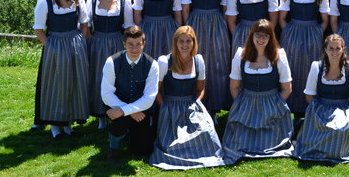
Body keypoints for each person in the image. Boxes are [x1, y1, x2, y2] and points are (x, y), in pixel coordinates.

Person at [149, 26, 225, 170]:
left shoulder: (198, 61)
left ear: (193, 42)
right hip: (170, 107)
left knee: (207, 134)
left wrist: (196, 103)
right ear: (175, 43)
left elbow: (200, 89)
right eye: (181, 41)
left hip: (191, 104)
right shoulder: (165, 61)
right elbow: (156, 90)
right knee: (173, 143)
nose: (185, 45)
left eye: (188, 41)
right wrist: (164, 106)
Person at [294, 34, 349, 164]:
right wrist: (318, 110)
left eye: (338, 48)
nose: (334, 52)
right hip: (320, 107)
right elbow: (309, 95)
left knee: (339, 130)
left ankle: (335, 150)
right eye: (331, 48)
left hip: (343, 108)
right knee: (323, 127)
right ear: (325, 49)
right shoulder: (317, 67)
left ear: (343, 49)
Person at [223, 20, 294, 164]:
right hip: (247, 102)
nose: (261, 39)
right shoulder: (241, 55)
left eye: (265, 36)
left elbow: (287, 88)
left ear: (270, 38)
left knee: (271, 140)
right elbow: (234, 86)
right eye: (258, 35)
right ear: (252, 35)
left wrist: (276, 106)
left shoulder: (278, 55)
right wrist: (241, 106)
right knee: (240, 141)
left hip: (272, 103)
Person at [33, 0, 90, 140]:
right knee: (56, 84)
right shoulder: (45, 1)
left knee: (74, 82)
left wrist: (81, 42)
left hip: (75, 43)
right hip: (55, 45)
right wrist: (49, 46)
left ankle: (68, 122)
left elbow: (84, 23)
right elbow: (38, 29)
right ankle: (55, 125)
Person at [182, 0, 233, 113]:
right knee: (195, 63)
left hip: (217, 23)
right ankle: (195, 104)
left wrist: (224, 29)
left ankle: (215, 106)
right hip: (195, 23)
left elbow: (226, 7)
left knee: (217, 65)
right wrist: (187, 29)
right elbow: (186, 7)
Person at [279, 0, 329, 117]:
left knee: (310, 70)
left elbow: (325, 19)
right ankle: (290, 108)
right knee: (291, 69)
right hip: (292, 33)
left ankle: (309, 109)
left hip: (312, 34)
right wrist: (288, 32)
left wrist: (317, 33)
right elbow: (282, 17)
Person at [101, 26, 159, 162]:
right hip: (117, 107)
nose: (134, 49)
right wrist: (126, 111)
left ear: (143, 43)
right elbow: (106, 94)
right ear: (124, 44)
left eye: (138, 44)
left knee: (141, 151)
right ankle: (114, 146)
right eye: (130, 45)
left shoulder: (152, 64)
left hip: (141, 111)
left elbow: (150, 98)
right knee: (117, 118)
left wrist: (125, 110)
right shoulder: (111, 62)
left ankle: (130, 135)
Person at [86, 0, 134, 130]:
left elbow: (128, 27)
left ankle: (117, 112)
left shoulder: (125, 1)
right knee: (99, 78)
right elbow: (86, 26)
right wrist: (87, 44)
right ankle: (100, 115)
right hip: (97, 43)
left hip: (116, 42)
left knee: (117, 79)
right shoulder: (93, 0)